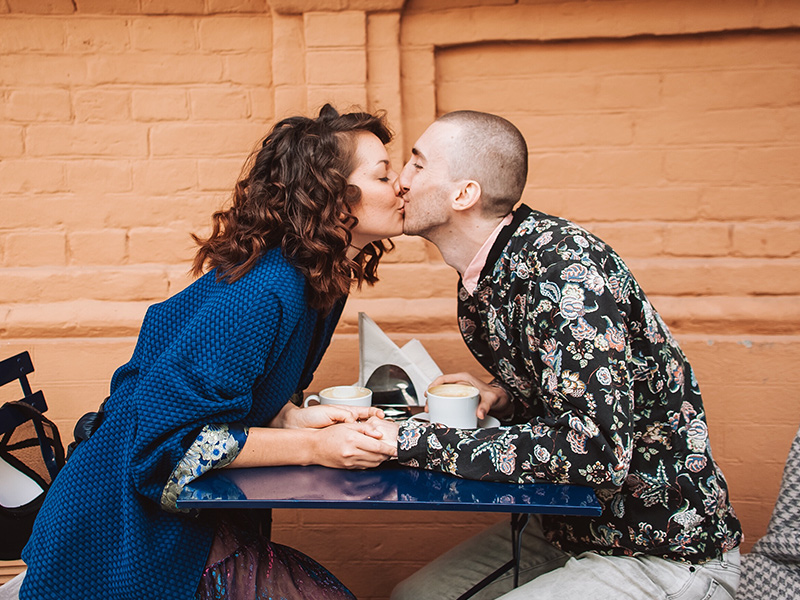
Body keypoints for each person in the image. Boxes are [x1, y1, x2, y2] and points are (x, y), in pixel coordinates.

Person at [19, 104, 402, 600]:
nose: (402, 186)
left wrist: (286, 418)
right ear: (332, 197)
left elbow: (232, 385)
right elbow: (165, 447)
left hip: (178, 521)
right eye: (383, 174)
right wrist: (316, 448)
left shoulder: (316, 280)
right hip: (121, 530)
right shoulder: (266, 291)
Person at [370, 110, 743, 600]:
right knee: (414, 598)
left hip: (661, 550)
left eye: (417, 165)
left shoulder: (562, 275)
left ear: (464, 194)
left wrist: (411, 440)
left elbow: (596, 453)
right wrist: (502, 397)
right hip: (568, 531)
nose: (401, 180)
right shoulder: (490, 272)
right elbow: (571, 389)